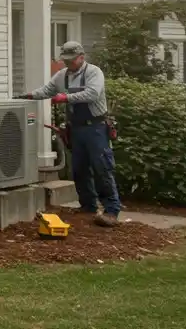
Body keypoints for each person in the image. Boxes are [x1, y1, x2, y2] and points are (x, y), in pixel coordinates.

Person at [17, 40, 120, 227]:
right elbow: (47, 90)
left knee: (102, 168)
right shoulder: (61, 76)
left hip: (95, 127)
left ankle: (111, 210)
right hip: (77, 128)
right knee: (79, 169)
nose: (68, 63)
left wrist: (66, 97)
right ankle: (88, 206)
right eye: (65, 60)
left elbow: (92, 94)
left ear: (82, 57)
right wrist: (29, 95)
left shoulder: (94, 73)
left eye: (72, 60)